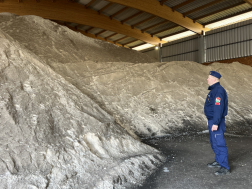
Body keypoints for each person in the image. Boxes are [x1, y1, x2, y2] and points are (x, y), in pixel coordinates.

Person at [204, 71, 230, 175]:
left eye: (209, 78)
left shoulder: (218, 90)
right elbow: (212, 108)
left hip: (216, 121)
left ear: (214, 79)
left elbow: (218, 108)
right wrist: (210, 119)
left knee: (219, 143)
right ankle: (219, 161)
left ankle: (225, 167)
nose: (207, 79)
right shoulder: (214, 90)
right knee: (214, 142)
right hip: (213, 120)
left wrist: (215, 122)